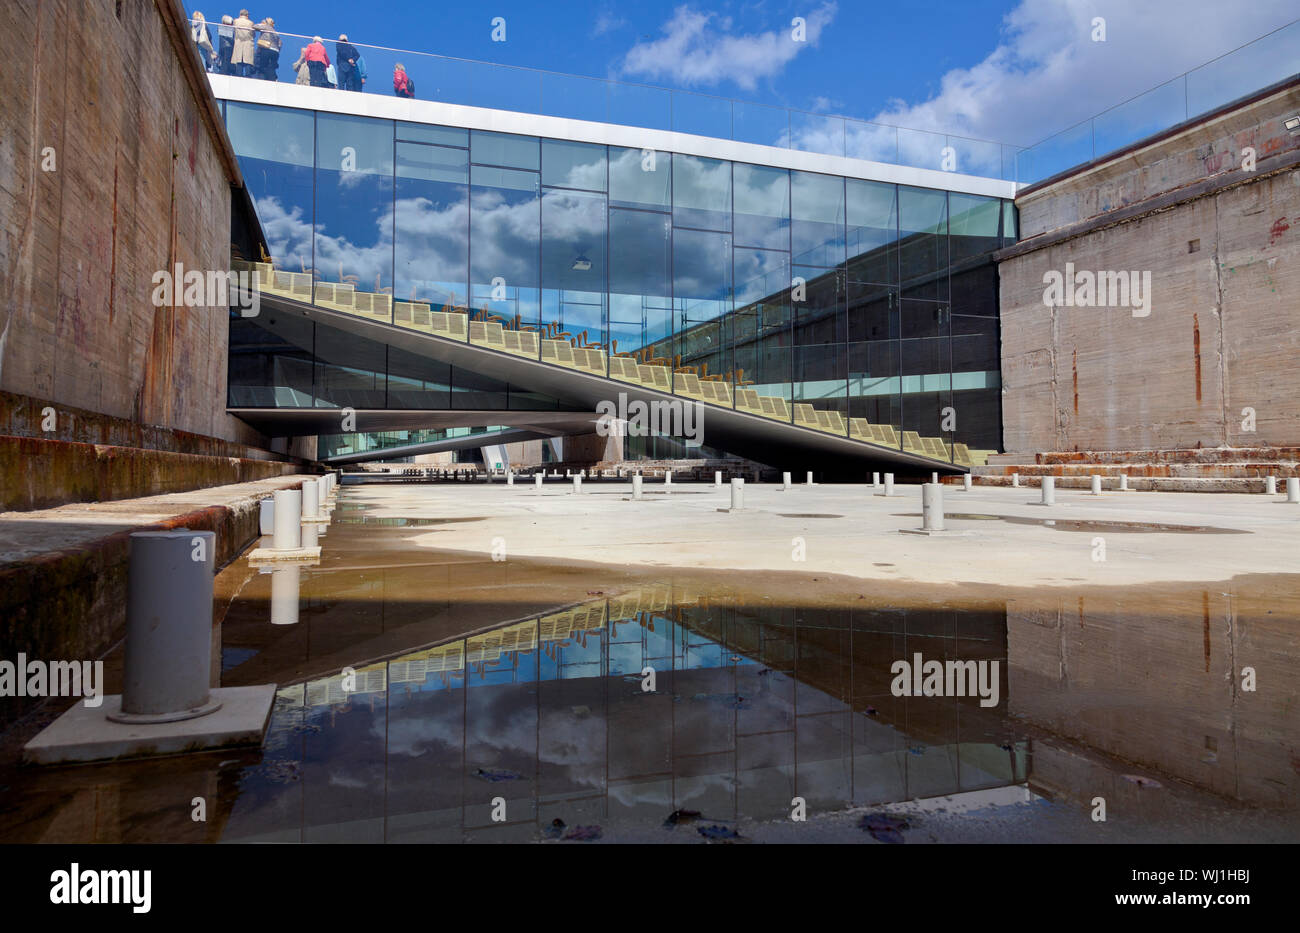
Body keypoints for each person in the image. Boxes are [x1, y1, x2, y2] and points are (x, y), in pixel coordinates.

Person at [231, 9, 256, 77]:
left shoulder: (235, 21)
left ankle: (238, 74)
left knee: (239, 59)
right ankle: (248, 75)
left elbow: (233, 31)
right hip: (248, 42)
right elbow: (253, 34)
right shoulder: (250, 23)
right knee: (247, 60)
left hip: (238, 41)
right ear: (247, 15)